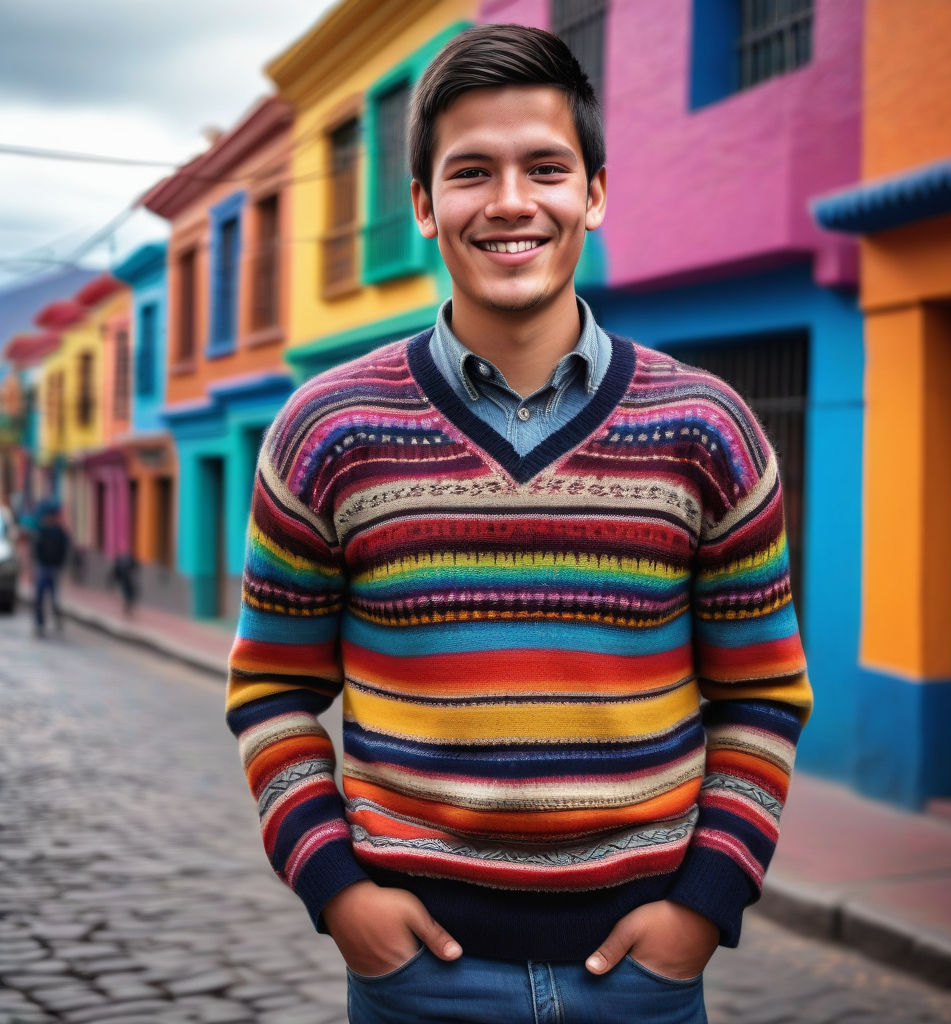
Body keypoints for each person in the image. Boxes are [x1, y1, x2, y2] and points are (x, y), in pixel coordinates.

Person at [227, 24, 812, 1024]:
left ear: (592, 192)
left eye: (545, 168)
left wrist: (699, 913)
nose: (508, 202)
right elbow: (272, 691)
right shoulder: (324, 428)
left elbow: (762, 698)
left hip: (644, 986)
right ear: (423, 204)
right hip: (416, 985)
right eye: (469, 173)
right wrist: (340, 893)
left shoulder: (707, 427)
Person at [32, 500, 69, 636]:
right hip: (49, 567)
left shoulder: (47, 531)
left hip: (47, 567)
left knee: (46, 596)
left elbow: (36, 549)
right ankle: (43, 621)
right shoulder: (56, 531)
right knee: (50, 595)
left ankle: (45, 621)